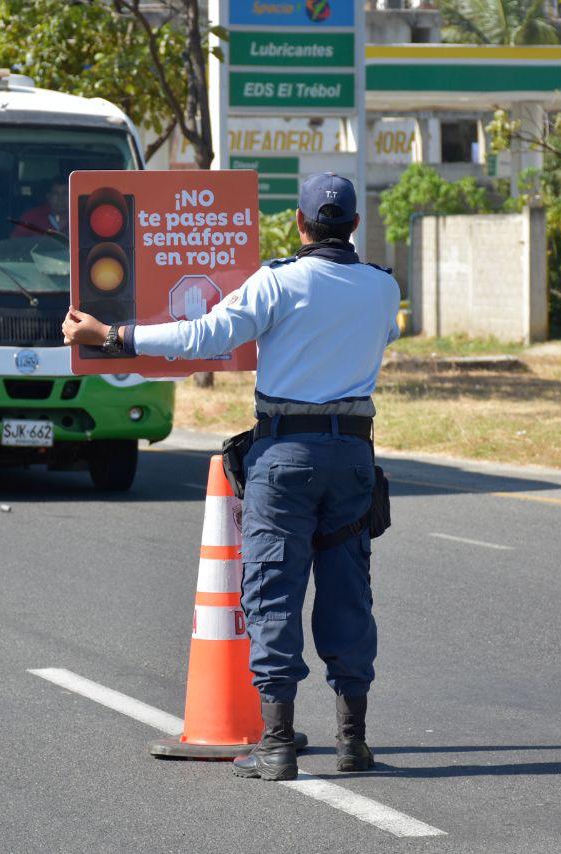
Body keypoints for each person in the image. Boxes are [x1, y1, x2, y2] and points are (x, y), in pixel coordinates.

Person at [62, 173, 400, 781]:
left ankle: (276, 744)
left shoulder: (278, 282)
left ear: (299, 225)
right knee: (348, 592)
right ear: (353, 225)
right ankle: (354, 742)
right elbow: (383, 333)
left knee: (273, 591)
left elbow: (202, 335)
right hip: (352, 456)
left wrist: (111, 335)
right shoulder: (381, 289)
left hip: (284, 455)